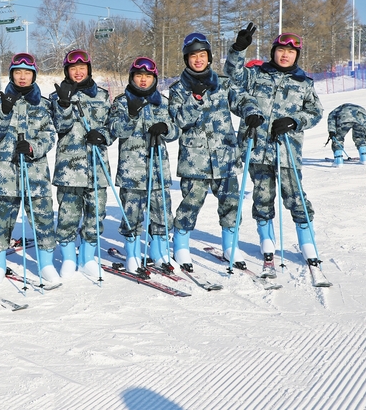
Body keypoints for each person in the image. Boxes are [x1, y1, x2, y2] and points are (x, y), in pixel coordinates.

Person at [225, 29, 324, 268]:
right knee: (262, 196)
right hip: (257, 146)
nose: (285, 55)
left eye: (290, 52)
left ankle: (306, 242)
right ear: (273, 52)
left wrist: (294, 121)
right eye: (281, 50)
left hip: (287, 150)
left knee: (295, 196)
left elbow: (316, 112)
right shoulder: (257, 75)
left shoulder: (304, 82)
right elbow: (232, 74)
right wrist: (238, 50)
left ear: (296, 56)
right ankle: (266, 239)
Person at [168, 32, 263, 272]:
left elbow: (241, 99)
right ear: (186, 59)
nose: (198, 60)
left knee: (231, 203)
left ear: (209, 57)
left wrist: (252, 112)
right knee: (190, 204)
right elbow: (179, 121)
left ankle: (230, 245)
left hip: (225, 157)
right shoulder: (178, 89)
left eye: (202, 55)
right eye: (192, 56)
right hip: (194, 160)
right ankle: (180, 246)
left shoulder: (223, 82)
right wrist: (196, 98)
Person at [0, 53, 58, 285]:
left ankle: (45, 265)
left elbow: (50, 135)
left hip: (35, 174)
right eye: (18, 72)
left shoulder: (43, 104)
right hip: (5, 174)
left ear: (34, 75)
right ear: (11, 74)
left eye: (27, 72)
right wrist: (4, 111)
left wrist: (33, 147)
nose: (22, 77)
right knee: (1, 221)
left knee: (43, 219)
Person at [108, 57, 179, 273]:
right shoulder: (121, 102)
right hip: (132, 171)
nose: (143, 80)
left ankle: (159, 253)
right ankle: (131, 255)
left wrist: (165, 128)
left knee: (162, 214)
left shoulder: (163, 102)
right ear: (132, 77)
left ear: (154, 79)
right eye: (139, 75)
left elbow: (176, 130)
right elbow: (115, 130)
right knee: (132, 215)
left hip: (158, 169)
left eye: (148, 76)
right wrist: (130, 114)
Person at [48, 49, 111, 278]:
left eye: (81, 68)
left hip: (97, 167)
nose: (77, 72)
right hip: (69, 169)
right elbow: (59, 127)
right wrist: (64, 104)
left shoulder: (102, 96)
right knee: (67, 216)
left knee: (96, 214)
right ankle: (67, 258)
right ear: (67, 70)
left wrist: (102, 135)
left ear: (89, 69)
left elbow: (111, 125)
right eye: (73, 68)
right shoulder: (56, 96)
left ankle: (87, 257)